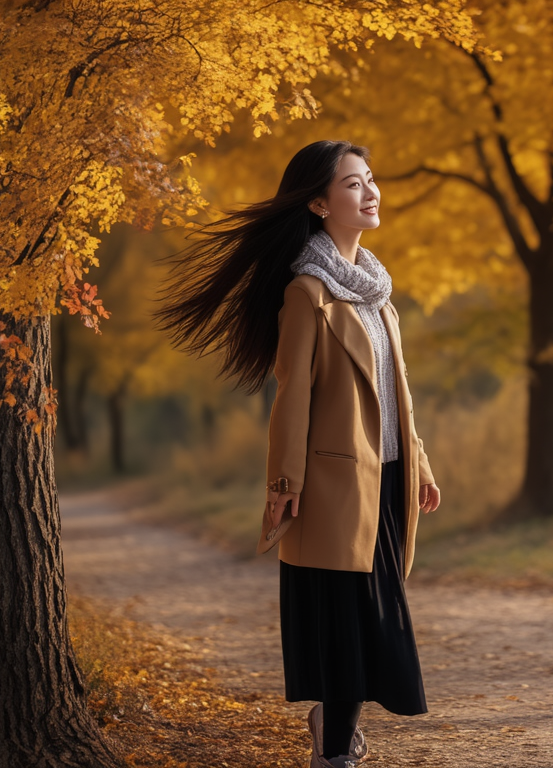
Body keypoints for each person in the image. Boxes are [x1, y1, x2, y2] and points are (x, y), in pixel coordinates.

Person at [154, 140, 442, 768]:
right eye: (353, 185)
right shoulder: (306, 294)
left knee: (373, 625)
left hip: (388, 481)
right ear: (317, 203)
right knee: (349, 631)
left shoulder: (376, 290)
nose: (371, 194)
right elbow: (293, 396)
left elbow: (398, 392)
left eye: (370, 180)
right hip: (335, 487)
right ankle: (332, 754)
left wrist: (417, 463)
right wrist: (284, 483)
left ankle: (329, 731)